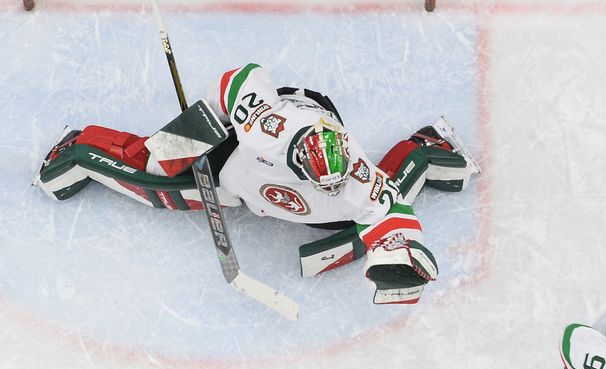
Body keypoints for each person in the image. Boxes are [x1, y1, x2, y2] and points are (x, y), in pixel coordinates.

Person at [34, 63, 479, 305]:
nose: (334, 188)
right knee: (156, 171)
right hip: (235, 152)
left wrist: (402, 254)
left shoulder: (354, 176)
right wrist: (197, 128)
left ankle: (428, 145)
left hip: (296, 153)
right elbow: (239, 79)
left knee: (355, 217)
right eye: (323, 183)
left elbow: (390, 209)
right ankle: (79, 146)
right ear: (301, 164)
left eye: (336, 183)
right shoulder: (269, 129)